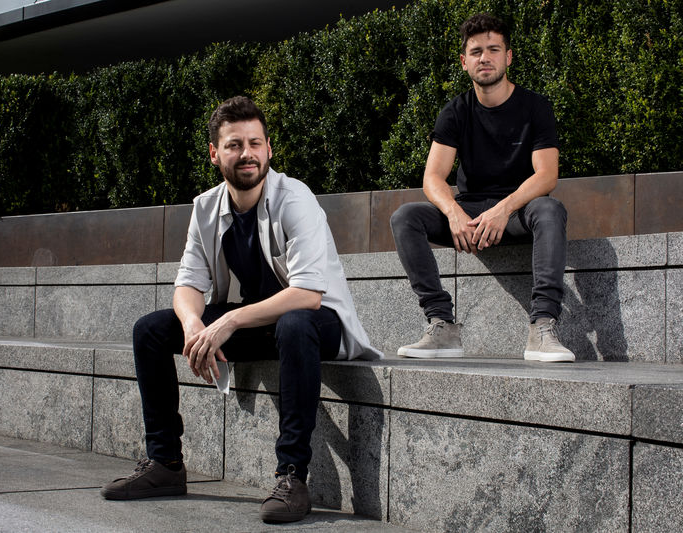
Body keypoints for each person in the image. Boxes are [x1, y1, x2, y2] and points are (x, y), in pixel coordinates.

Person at [100, 96, 382, 523]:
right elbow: (188, 283)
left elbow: (307, 294)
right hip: (258, 324)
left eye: (255, 143)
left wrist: (227, 322)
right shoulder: (206, 207)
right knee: (151, 330)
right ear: (215, 154)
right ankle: (165, 465)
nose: (246, 153)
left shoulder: (295, 198)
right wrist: (195, 324)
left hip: (317, 323)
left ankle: (292, 476)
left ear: (269, 148)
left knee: (293, 322)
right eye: (234, 145)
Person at [390, 13, 575, 363]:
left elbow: (546, 175)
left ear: (508, 57)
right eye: (476, 51)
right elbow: (433, 177)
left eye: (493, 49)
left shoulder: (535, 107)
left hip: (520, 211)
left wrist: (503, 209)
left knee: (550, 209)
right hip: (470, 214)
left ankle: (543, 326)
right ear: (464, 62)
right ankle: (441, 323)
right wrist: (455, 214)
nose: (484, 58)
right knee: (405, 217)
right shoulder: (456, 111)